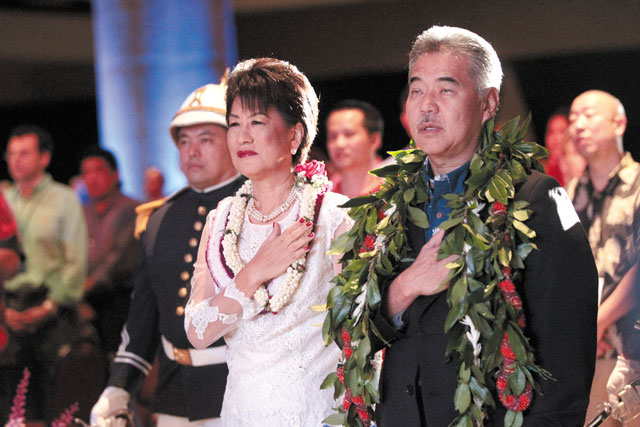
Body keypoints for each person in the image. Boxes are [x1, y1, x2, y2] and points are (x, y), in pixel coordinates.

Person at [363, 26, 598, 426]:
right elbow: (352, 335)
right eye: (417, 90)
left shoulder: (534, 199)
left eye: (446, 90)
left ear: (489, 103)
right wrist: (403, 288)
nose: (427, 106)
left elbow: (565, 354)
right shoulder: (389, 206)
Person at [184, 57, 352, 426]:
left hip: (317, 411)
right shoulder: (220, 220)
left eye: (257, 122)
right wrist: (255, 271)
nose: (242, 136)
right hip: (242, 411)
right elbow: (197, 332)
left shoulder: (333, 216)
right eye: (234, 124)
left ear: (295, 135)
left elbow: (361, 331)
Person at [90, 81, 245, 426]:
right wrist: (119, 387)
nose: (192, 152)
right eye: (184, 142)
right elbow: (144, 313)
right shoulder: (159, 218)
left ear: (235, 141)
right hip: (174, 393)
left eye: (205, 140)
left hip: (240, 389)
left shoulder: (257, 204)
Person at [2, 124, 89, 422]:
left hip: (52, 312)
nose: (16, 160)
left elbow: (76, 261)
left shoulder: (64, 198)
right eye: (11, 154)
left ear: (44, 158)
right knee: (13, 408)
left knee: (53, 405)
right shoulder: (3, 200)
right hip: (8, 312)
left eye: (24, 153)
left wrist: (50, 306)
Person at [566, 90, 640, 426]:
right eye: (572, 118)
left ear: (619, 122)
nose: (578, 125)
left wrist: (597, 320)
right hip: (588, 354)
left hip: (632, 350)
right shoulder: (568, 193)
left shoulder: (638, 182)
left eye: (589, 115)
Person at [80, 147, 139, 357]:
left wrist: (82, 288)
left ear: (115, 174)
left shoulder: (132, 209)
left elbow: (118, 260)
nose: (91, 178)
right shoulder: (83, 212)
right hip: (86, 301)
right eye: (86, 173)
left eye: (98, 170)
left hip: (120, 300)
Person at [326, 99, 385, 197]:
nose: (339, 144)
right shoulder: (322, 198)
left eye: (349, 134)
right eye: (333, 136)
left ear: (374, 140)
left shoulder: (392, 195)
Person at [542, 113, 569, 186]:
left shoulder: (581, 171)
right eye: (551, 132)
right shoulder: (541, 171)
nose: (556, 138)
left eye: (562, 131)